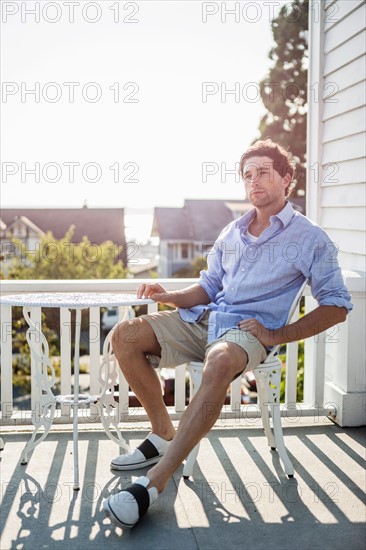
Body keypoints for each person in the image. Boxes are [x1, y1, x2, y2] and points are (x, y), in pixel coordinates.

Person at [103, 139, 352, 529]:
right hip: (206, 320)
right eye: (247, 174)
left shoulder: (310, 238)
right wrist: (169, 295)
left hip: (247, 333)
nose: (254, 181)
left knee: (218, 361)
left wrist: (276, 335)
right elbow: (208, 287)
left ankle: (154, 482)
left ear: (287, 179)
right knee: (125, 335)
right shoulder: (231, 233)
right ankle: (163, 431)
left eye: (263, 172)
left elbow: (337, 305)